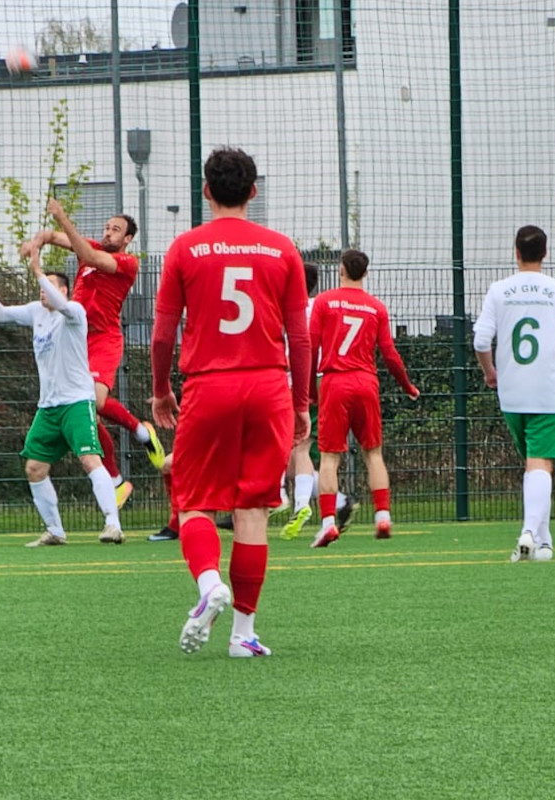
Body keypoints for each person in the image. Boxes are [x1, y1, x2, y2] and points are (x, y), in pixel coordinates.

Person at [150, 146, 311, 658]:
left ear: (205, 191)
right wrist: (302, 401)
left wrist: (160, 390)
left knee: (193, 500)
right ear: (254, 192)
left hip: (209, 385)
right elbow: (300, 337)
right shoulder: (282, 249)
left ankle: (206, 586)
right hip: (268, 387)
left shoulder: (184, 247)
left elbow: (160, 335)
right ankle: (244, 634)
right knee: (254, 510)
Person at [0, 249, 125, 547]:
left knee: (91, 460)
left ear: (63, 291)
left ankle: (113, 525)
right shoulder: (36, 311)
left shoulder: (74, 312)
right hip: (49, 408)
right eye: (40, 285)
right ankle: (55, 531)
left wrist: (38, 270)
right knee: (34, 468)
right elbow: (0, 314)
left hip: (77, 403)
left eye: (48, 285)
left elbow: (62, 303)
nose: (42, 290)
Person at [22, 199, 165, 511]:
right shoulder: (88, 248)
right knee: (87, 412)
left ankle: (143, 431)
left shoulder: (126, 263)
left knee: (96, 401)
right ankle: (116, 482)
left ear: (127, 239)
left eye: (116, 230)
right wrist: (33, 244)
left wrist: (62, 216)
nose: (109, 233)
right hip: (76, 340)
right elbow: (50, 236)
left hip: (103, 340)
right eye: (107, 228)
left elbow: (85, 254)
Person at [473, 225, 555, 563]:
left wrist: (490, 373)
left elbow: (480, 341)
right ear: (545, 254)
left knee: (535, 464)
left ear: (515, 252)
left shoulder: (499, 290)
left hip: (512, 391)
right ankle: (530, 532)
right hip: (548, 389)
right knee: (540, 464)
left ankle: (543, 542)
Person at [309, 248, 419, 548]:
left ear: (341, 270)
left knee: (330, 457)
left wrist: (307, 389)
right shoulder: (376, 308)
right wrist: (407, 385)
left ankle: (329, 523)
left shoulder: (324, 301)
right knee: (373, 453)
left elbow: (311, 347)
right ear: (366, 273)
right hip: (366, 382)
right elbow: (390, 355)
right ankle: (383, 516)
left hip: (334, 381)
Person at [280, 260, 358, 541]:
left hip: (293, 383)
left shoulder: (288, 310)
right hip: (324, 381)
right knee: (298, 451)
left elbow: (300, 348)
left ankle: (284, 499)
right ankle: (337, 502)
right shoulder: (324, 306)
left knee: (285, 446)